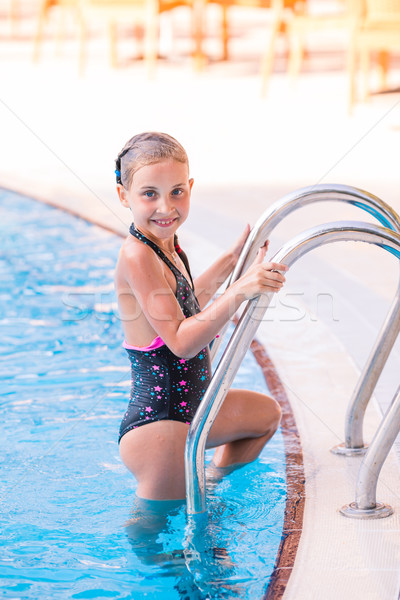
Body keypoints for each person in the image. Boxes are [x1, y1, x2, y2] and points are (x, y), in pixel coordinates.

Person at [114, 131, 288, 501]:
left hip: (193, 410)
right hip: (160, 429)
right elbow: (180, 342)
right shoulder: (137, 255)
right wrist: (242, 289)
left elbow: (188, 300)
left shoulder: (166, 245)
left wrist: (233, 259)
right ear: (123, 196)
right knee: (165, 548)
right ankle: (194, 489)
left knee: (264, 417)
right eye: (149, 194)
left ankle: (209, 483)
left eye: (177, 191)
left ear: (190, 187)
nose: (166, 207)